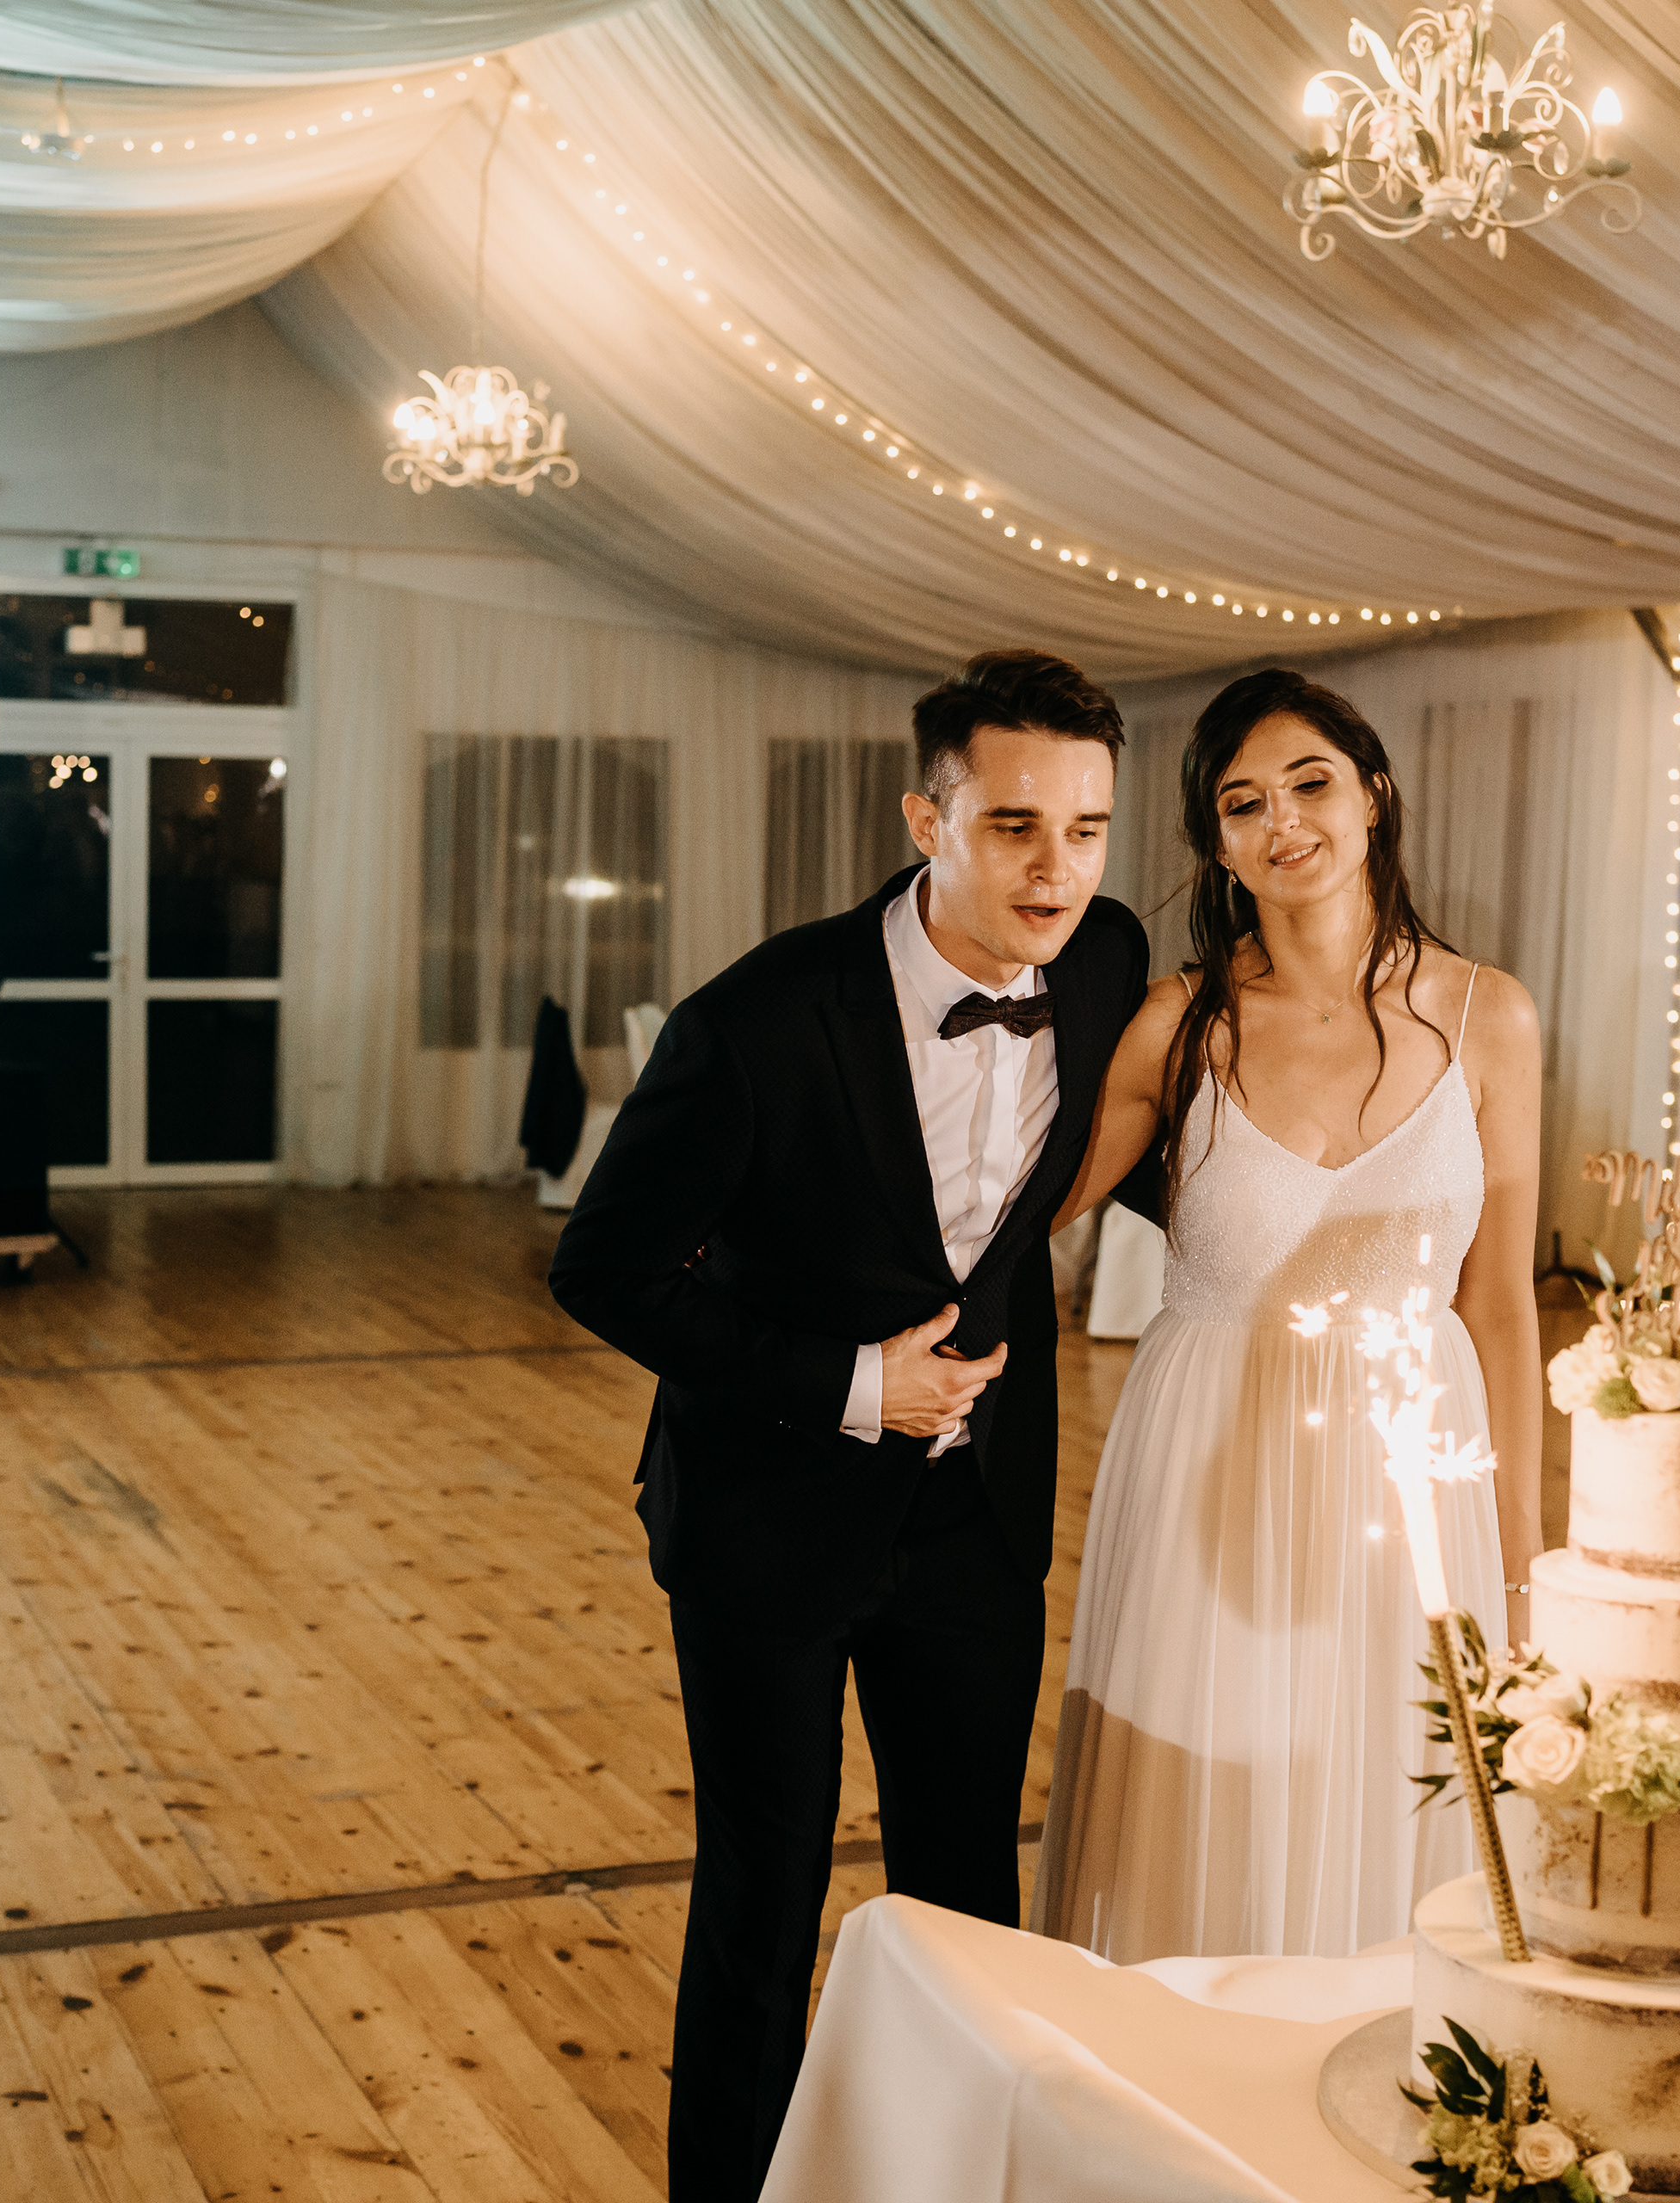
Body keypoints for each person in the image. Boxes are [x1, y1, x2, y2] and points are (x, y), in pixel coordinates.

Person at [548, 649, 1147, 2203]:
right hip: (767, 1518)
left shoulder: (1106, 961)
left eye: (1087, 829)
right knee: (765, 1896)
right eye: (1014, 825)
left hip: (976, 1521)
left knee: (966, 1895)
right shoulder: (757, 1020)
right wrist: (853, 1384)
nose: (1057, 869)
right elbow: (603, 1268)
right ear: (926, 819)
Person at [1029, 667, 1544, 1965]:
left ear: (1374, 795)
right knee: (1211, 1800)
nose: (1284, 822)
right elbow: (1020, 1218)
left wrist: (1524, 1565)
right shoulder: (1179, 1024)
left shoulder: (1490, 1016)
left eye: (1310, 783)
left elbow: (1499, 1306)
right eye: (1244, 802)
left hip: (1415, 1475)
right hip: (1211, 1460)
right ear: (1217, 843)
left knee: (1396, 1784)